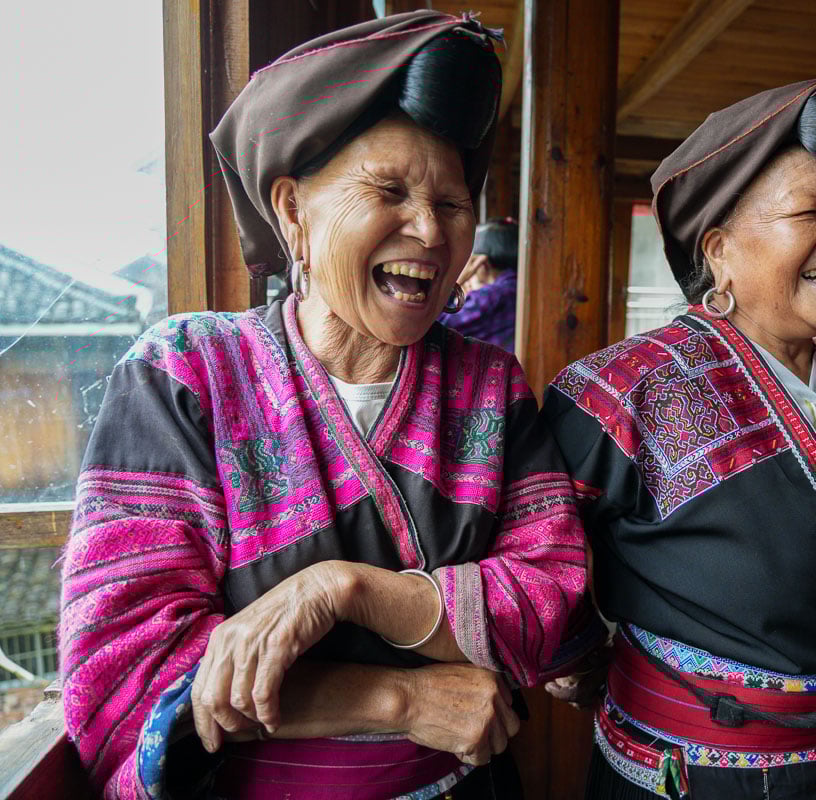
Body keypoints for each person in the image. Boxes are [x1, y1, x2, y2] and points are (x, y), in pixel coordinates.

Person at [58, 12, 599, 799]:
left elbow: (550, 593)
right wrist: (401, 699)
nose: (429, 230)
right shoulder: (187, 373)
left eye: (453, 205)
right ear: (291, 212)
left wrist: (343, 589)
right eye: (388, 191)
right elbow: (129, 662)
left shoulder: (489, 385)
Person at [542, 75, 816, 798]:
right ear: (719, 251)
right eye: (808, 211)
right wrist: (571, 647)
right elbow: (527, 542)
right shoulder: (628, 387)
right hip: (689, 772)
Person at [439, 217, 520, 351]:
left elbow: (432, 327)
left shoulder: (491, 296)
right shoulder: (515, 285)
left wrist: (455, 282)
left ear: (481, 263)